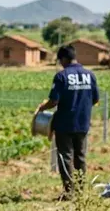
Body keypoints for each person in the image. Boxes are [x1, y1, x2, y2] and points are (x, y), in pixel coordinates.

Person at [36, 45, 99, 199]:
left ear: (63, 59)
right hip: (83, 123)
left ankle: (69, 192)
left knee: (65, 157)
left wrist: (41, 108)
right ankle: (80, 190)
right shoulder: (89, 75)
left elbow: (54, 101)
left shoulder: (61, 76)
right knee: (81, 156)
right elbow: (96, 99)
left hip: (64, 124)